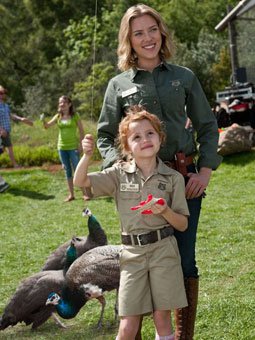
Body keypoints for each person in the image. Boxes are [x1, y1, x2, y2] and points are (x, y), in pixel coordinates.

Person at [96, 4, 222, 339]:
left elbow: (208, 126)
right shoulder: (118, 85)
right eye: (139, 33)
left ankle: (179, 337)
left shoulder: (184, 77)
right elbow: (105, 135)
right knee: (138, 256)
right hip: (135, 186)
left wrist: (204, 173)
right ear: (130, 40)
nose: (147, 38)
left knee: (183, 260)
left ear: (161, 32)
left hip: (183, 180)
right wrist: (119, 169)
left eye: (152, 30)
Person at [74, 108, 190, 340]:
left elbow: (182, 225)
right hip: (131, 255)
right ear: (127, 146)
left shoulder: (173, 178)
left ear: (160, 138)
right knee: (128, 323)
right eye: (136, 137)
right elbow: (81, 182)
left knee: (161, 318)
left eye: (150, 133)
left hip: (163, 251)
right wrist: (86, 156)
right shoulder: (118, 174)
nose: (145, 139)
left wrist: (164, 210)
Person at [43, 95, 89, 202]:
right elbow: (47, 126)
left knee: (78, 169)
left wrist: (81, 145)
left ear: (69, 104)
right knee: (67, 170)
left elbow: (82, 131)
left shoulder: (75, 116)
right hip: (61, 148)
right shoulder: (58, 116)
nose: (61, 104)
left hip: (73, 147)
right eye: (60, 103)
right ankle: (71, 195)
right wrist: (43, 121)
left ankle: (85, 194)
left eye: (64, 102)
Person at [0, 85, 33, 168]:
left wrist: (21, 119)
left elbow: (10, 115)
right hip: (2, 131)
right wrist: (0, 130)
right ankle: (15, 165)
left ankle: (15, 165)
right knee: (8, 147)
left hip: (6, 131)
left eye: (3, 93)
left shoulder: (5, 105)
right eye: (1, 93)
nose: (3, 94)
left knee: (3, 149)